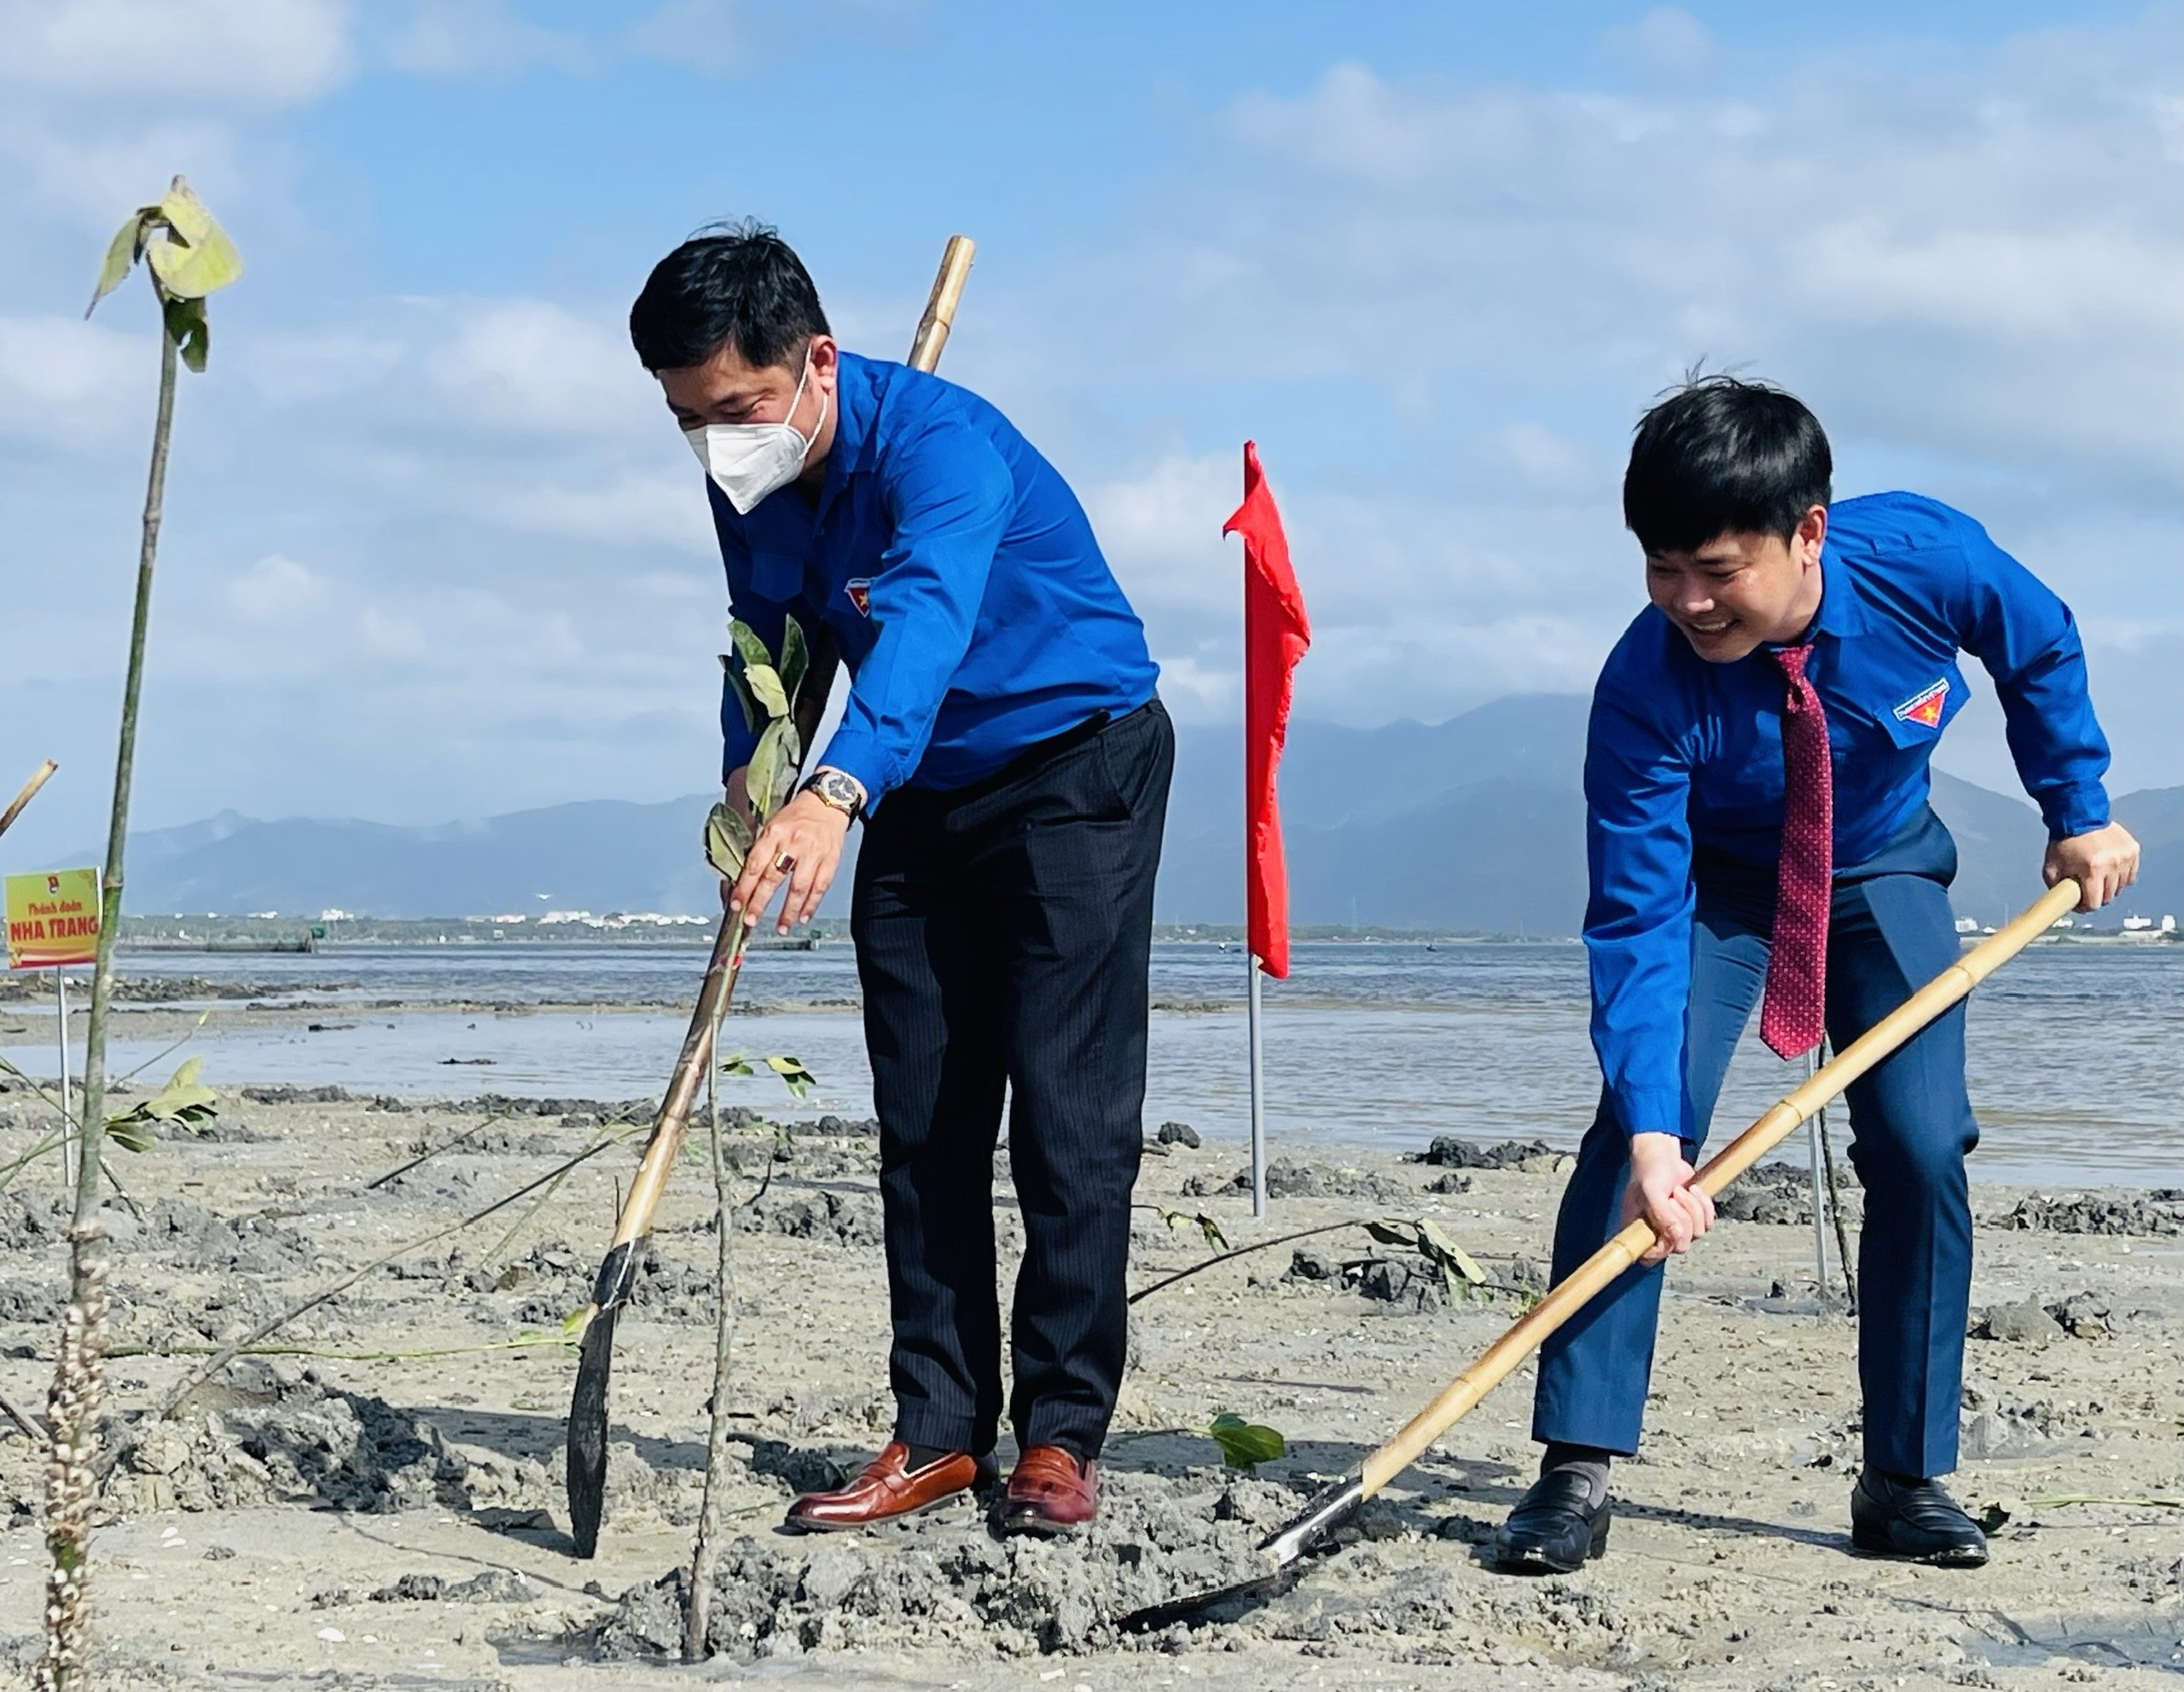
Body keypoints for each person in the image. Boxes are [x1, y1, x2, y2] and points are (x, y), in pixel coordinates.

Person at [1491, 376, 2140, 1574]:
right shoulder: (1643, 689)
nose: (1688, 601)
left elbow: (2039, 641)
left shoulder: (1924, 558)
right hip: (1720, 896)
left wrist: (2078, 806)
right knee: (1646, 1127)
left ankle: (1903, 1478)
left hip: (1881, 870)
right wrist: (1650, 1139)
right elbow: (1634, 917)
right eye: (1662, 567)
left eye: (1718, 570)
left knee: (1923, 1142)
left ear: (1808, 534)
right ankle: (1575, 1466)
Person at [628, 223, 1170, 1535]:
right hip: (915, 790)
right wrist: (752, 791)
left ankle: (1058, 1434)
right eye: (689, 422)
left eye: (741, 410)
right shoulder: (742, 479)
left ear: (816, 363)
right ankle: (937, 1430)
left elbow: (919, 626)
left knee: (1065, 1120)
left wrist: (834, 793)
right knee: (925, 1118)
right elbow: (771, 642)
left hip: (1070, 768)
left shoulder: (945, 447)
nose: (720, 445)